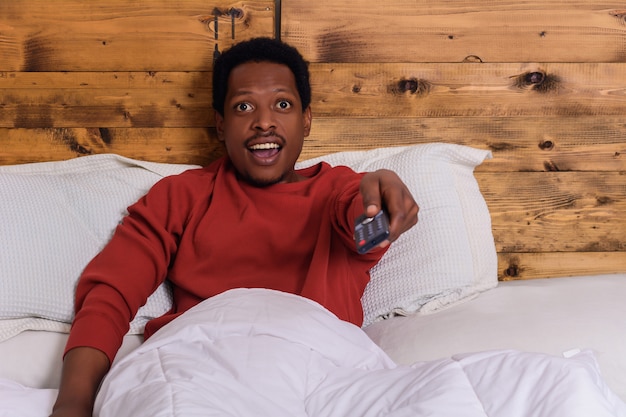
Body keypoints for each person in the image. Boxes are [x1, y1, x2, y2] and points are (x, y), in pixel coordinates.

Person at [49, 37, 418, 417]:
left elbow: (359, 213)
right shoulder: (181, 196)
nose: (263, 121)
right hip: (200, 368)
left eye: (283, 104)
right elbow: (111, 294)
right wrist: (73, 403)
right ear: (221, 124)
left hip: (322, 368)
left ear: (306, 119)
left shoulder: (338, 190)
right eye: (244, 106)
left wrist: (381, 195)